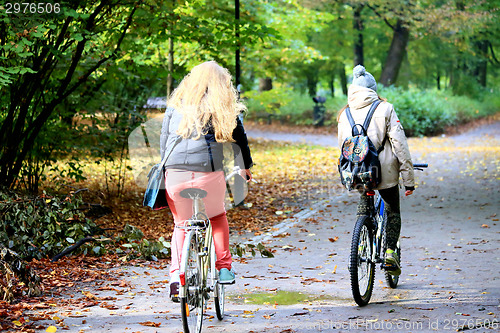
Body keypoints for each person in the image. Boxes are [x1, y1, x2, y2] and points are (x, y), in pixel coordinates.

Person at [159, 61, 253, 301]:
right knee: (217, 216)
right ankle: (223, 269)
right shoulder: (222, 107)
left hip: (174, 175)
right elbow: (239, 138)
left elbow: (163, 142)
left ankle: (175, 280)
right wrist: (244, 168)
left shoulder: (176, 105)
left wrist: (165, 169)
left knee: (181, 225)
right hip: (208, 175)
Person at [337, 65, 415, 276]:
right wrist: (409, 179)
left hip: (358, 172)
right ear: (373, 89)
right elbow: (400, 145)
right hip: (385, 172)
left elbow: (343, 147)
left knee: (365, 201)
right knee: (392, 211)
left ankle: (360, 244)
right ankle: (390, 253)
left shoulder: (344, 114)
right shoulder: (385, 108)